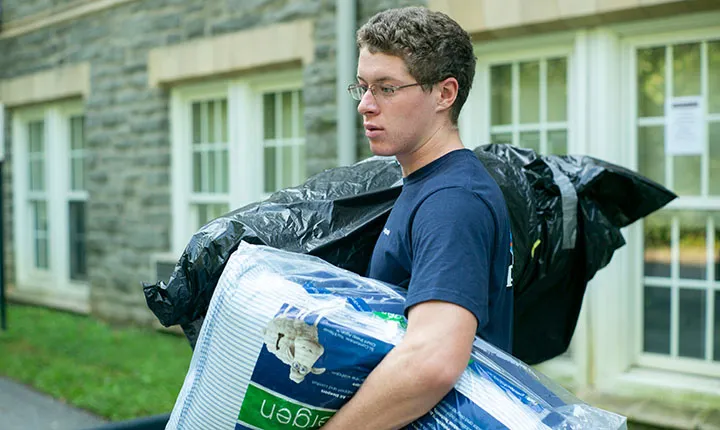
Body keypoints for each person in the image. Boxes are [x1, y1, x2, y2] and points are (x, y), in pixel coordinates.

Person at [322, 6, 513, 429]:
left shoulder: (452, 201)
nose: (365, 106)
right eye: (363, 87)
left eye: (387, 88)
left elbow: (432, 361)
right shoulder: (426, 183)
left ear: (445, 94)